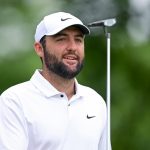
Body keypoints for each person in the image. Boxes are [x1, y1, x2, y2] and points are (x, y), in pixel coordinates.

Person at [0, 12, 110, 150]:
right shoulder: (14, 101)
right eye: (61, 39)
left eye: (78, 40)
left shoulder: (95, 101)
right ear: (40, 49)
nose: (72, 47)